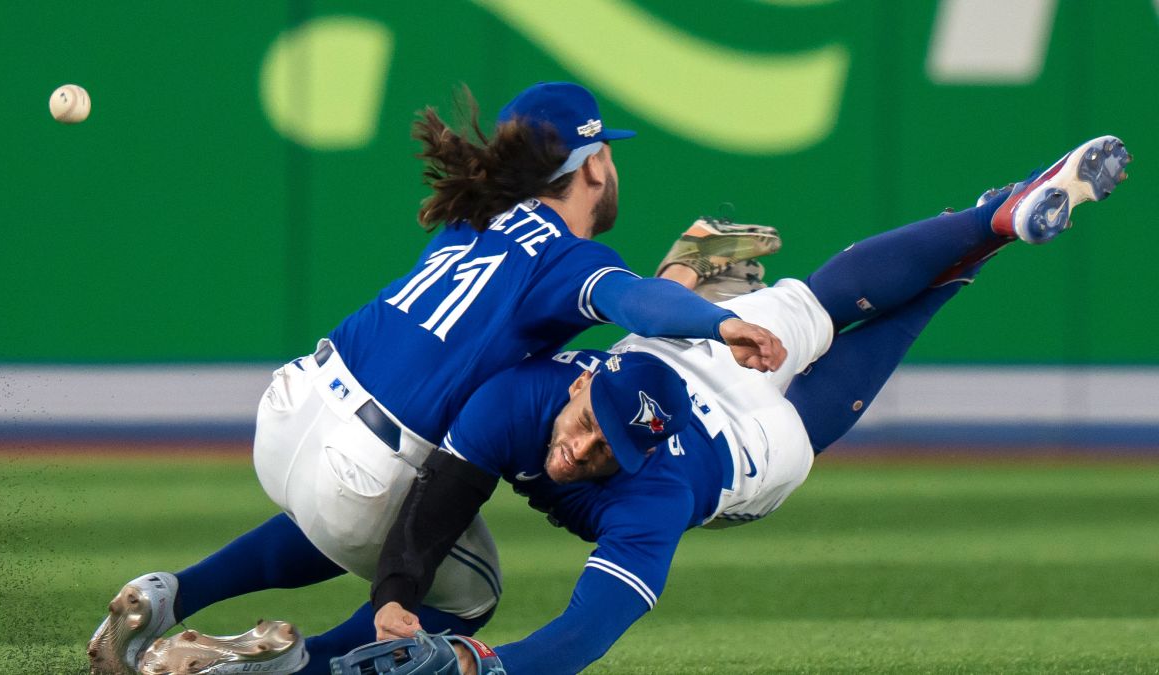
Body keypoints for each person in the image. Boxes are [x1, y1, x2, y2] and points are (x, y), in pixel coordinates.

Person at [341, 135, 1133, 675]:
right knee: (819, 302)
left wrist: (486, 663)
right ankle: (986, 221)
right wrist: (395, 598)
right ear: (580, 379)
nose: (580, 454)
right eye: (588, 429)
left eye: (603, 450)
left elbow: (588, 629)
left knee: (884, 312)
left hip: (756, 442)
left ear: (639, 453)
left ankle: (984, 234)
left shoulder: (654, 491)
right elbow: (439, 499)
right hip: (695, 351)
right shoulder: (527, 395)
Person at [86, 81, 784, 675]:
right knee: (465, 594)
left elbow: (636, 302)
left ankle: (169, 593)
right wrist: (715, 320)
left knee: (360, 519)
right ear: (595, 164)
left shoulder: (469, 220)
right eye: (607, 153)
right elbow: (634, 303)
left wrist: (685, 273)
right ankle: (289, 666)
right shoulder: (565, 259)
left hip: (293, 409)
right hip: (365, 460)